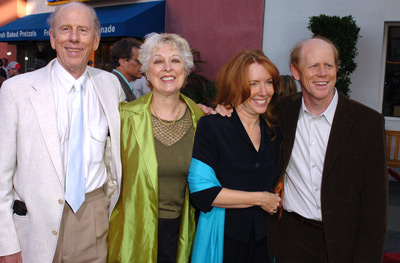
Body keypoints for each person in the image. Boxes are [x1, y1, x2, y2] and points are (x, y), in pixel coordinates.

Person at [0, 2, 124, 263]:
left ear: (96, 39)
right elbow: (2, 172)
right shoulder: (16, 91)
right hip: (34, 225)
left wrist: (203, 111)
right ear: (53, 38)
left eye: (83, 30)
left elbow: (141, 122)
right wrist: (6, 242)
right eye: (65, 29)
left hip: (92, 217)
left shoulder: (110, 85)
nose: (74, 38)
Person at [267, 36, 387, 263]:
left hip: (344, 243)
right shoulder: (281, 112)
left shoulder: (367, 123)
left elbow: (375, 205)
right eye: (313, 65)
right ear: (296, 71)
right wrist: (217, 110)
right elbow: (244, 119)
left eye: (329, 65)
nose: (322, 73)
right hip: (291, 239)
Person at [108, 32, 204, 263]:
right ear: (146, 72)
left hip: (184, 235)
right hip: (133, 233)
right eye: (158, 61)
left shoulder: (202, 121)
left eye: (176, 60)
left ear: (186, 70)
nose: (167, 68)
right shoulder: (124, 118)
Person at [188, 49, 282, 263]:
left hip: (267, 241)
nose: (263, 91)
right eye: (253, 84)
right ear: (235, 86)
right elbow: (202, 192)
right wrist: (260, 199)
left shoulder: (275, 129)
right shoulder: (212, 126)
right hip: (225, 239)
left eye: (268, 82)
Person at [110, 37, 143, 102]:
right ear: (122, 62)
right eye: (138, 61)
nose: (142, 65)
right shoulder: (114, 85)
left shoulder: (117, 82)